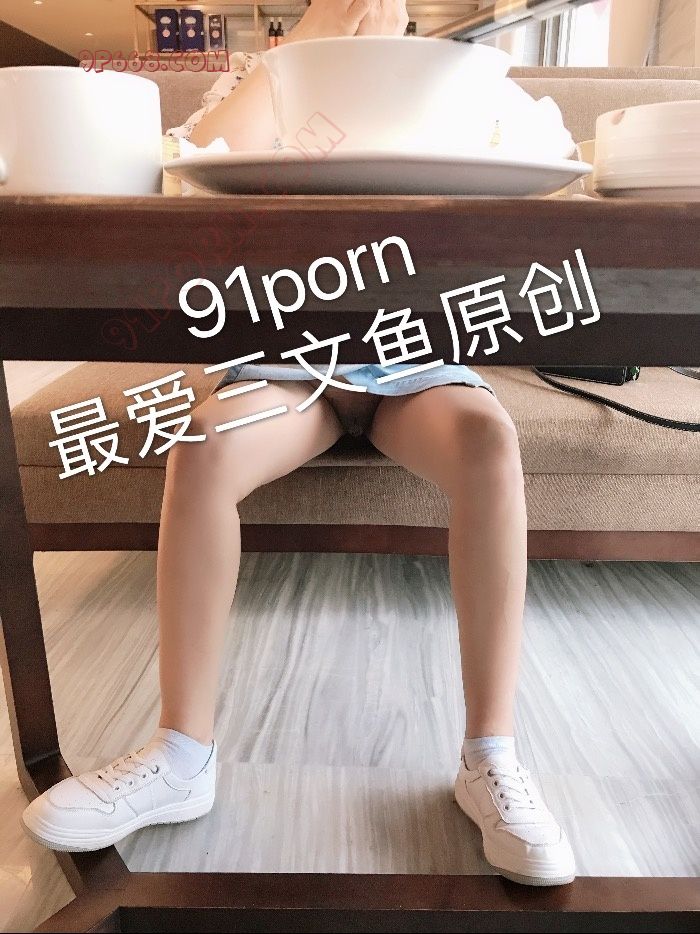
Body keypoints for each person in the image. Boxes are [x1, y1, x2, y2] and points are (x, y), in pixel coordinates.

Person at [22, 0, 576, 886]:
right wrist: (305, 47)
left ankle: (489, 754)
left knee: (488, 442)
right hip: (290, 361)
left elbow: (541, 174)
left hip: (412, 356)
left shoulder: (457, 79)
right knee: (202, 442)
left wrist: (416, 64)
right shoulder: (269, 84)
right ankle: (181, 753)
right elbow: (194, 173)